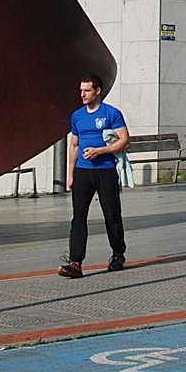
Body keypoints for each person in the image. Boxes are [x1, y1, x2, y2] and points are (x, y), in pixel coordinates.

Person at [57, 73, 129, 278]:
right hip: (83, 172)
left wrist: (100, 151)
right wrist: (70, 174)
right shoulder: (77, 116)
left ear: (98, 91)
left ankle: (117, 254)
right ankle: (75, 262)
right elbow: (74, 145)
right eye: (81, 90)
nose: (82, 94)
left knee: (111, 215)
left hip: (105, 171)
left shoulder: (111, 113)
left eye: (87, 90)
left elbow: (124, 140)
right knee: (78, 217)